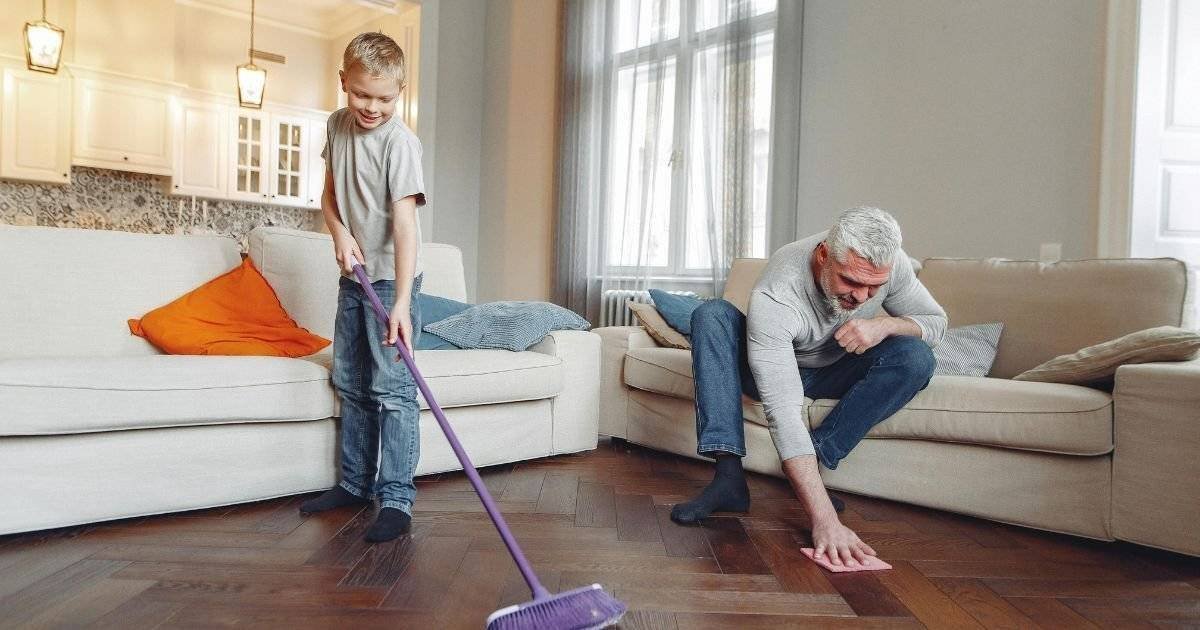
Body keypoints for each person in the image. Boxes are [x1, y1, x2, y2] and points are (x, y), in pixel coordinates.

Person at [669, 207, 947, 566]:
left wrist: (885, 325)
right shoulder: (778, 292)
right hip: (768, 364)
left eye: (873, 287)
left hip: (835, 367)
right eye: (850, 282)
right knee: (711, 315)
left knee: (916, 356)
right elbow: (783, 411)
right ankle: (728, 478)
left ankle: (814, 458)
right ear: (823, 255)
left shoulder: (891, 266)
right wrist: (825, 522)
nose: (862, 297)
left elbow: (936, 322)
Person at [298, 32, 428, 544]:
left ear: (400, 92)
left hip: (392, 280)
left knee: (393, 392)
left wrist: (400, 301)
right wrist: (340, 234)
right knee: (351, 383)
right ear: (343, 84)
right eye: (362, 95)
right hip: (354, 278)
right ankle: (354, 484)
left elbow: (405, 226)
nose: (372, 107)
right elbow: (328, 197)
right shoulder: (335, 125)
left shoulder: (401, 143)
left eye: (385, 98)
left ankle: (396, 499)